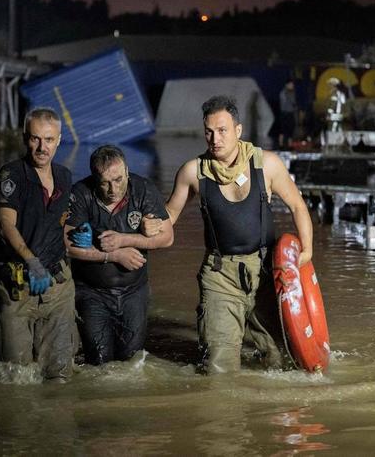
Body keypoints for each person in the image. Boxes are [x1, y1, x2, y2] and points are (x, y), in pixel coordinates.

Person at [144, 95, 313, 374]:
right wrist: (151, 226)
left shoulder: (267, 164)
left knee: (278, 362)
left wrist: (306, 251)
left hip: (266, 273)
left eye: (222, 131)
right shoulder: (192, 172)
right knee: (218, 368)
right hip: (219, 275)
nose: (215, 139)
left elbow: (297, 205)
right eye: (209, 132)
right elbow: (170, 215)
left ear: (238, 130)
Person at [64, 145, 173, 365]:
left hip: (134, 292)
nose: (113, 189)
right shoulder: (80, 193)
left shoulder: (143, 189)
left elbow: (168, 238)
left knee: (132, 362)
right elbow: (65, 245)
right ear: (94, 178)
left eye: (119, 179)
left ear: (127, 171)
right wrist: (112, 256)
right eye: (105, 183)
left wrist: (125, 240)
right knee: (99, 362)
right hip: (92, 293)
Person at [0, 107, 77, 381]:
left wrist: (81, 234)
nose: (42, 147)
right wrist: (31, 261)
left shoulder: (64, 177)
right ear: (25, 138)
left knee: (60, 375)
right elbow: (6, 225)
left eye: (49, 140)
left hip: (58, 288)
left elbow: (61, 224)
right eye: (35, 139)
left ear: (59, 140)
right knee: (17, 378)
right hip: (17, 288)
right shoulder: (12, 176)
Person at [277, 79, 297, 148]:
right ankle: (281, 144)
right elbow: (285, 103)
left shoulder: (292, 93)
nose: (292, 86)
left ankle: (290, 145)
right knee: (283, 129)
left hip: (290, 113)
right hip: (285, 113)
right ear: (287, 85)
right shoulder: (283, 93)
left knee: (290, 129)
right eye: (291, 84)